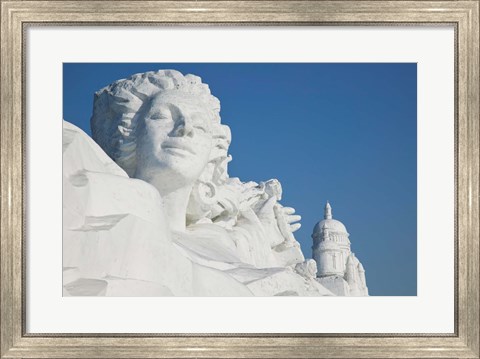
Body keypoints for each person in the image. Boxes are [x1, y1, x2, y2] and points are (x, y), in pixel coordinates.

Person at [91, 69, 304, 269]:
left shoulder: (221, 243)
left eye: (200, 126)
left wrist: (262, 233)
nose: (186, 128)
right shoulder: (102, 225)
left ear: (212, 153)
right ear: (127, 134)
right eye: (162, 116)